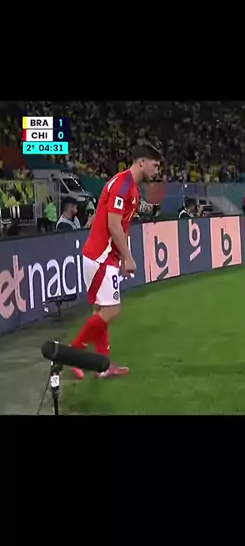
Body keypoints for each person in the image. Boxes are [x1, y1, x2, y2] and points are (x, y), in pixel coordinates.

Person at [69, 142, 161, 380]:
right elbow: (113, 225)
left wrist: (121, 257)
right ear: (142, 162)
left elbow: (123, 226)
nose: (157, 170)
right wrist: (129, 258)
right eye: (155, 165)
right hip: (100, 256)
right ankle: (73, 354)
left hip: (105, 256)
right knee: (111, 310)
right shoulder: (122, 185)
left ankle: (104, 366)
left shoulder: (132, 189)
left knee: (102, 310)